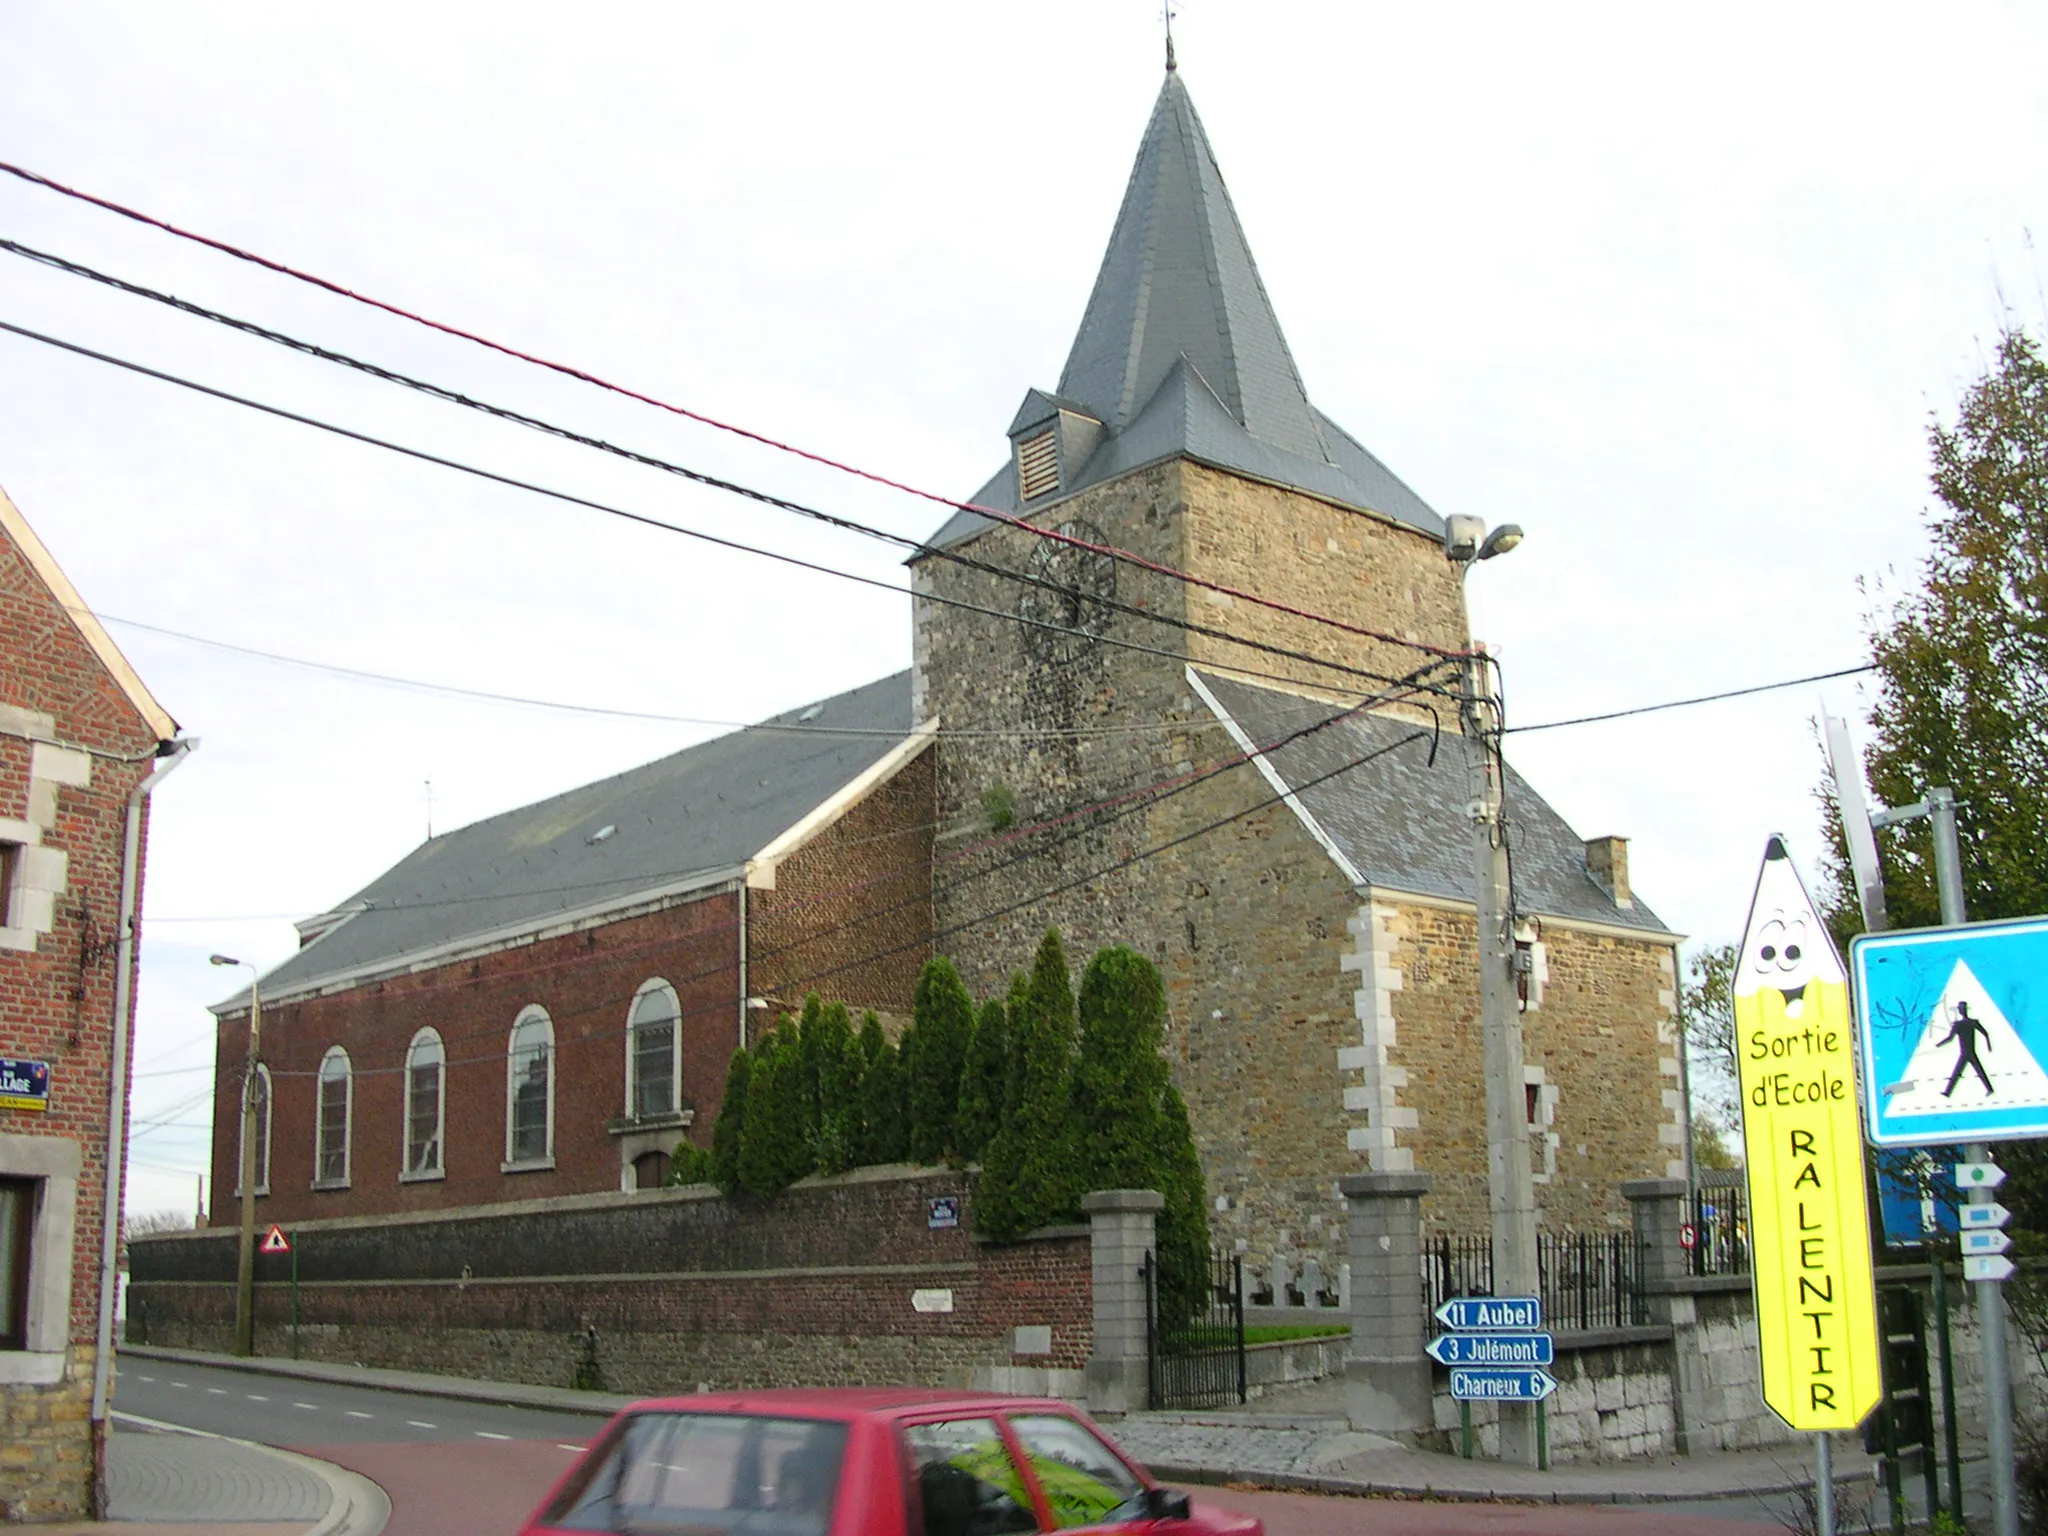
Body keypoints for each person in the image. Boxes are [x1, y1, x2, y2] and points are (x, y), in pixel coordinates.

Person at [1940, 1001, 1995, 1098]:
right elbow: (1986, 1034)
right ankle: (1989, 1089)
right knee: (1978, 1072)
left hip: (1965, 1053)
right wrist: (1988, 1046)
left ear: (1961, 1010)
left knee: (1957, 1073)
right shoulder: (1971, 1022)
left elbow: (1950, 1038)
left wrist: (1939, 1044)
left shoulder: (1959, 1024)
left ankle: (1947, 1092)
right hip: (1970, 1053)